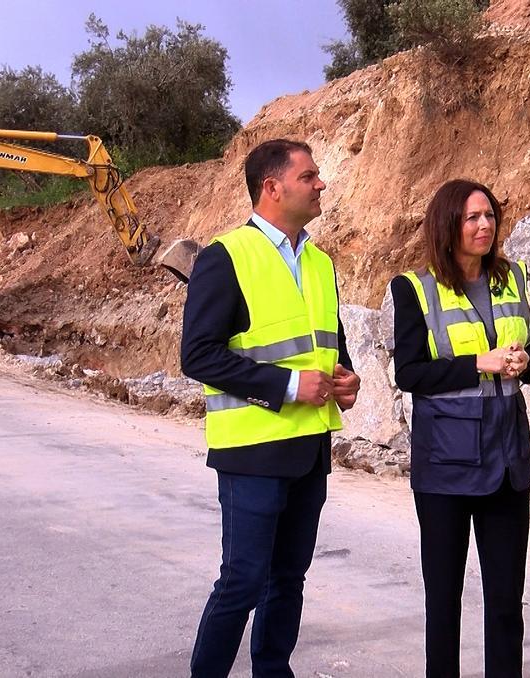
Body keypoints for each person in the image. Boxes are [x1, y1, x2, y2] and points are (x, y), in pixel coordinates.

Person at [181, 138, 362, 678]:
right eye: (309, 176)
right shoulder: (225, 257)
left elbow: (328, 344)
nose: (320, 184)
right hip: (252, 453)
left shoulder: (321, 262)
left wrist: (347, 379)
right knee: (242, 580)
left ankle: (272, 671)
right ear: (272, 187)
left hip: (309, 450)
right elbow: (198, 355)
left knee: (289, 578)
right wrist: (287, 386)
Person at [389, 178, 530, 678]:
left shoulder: (511, 277)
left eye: (490, 216)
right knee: (444, 600)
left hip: (506, 462)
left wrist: (523, 360)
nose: (484, 226)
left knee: (505, 600)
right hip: (446, 468)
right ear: (447, 224)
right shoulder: (414, 288)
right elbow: (409, 374)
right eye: (472, 217)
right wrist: (480, 362)